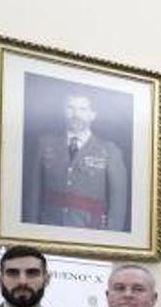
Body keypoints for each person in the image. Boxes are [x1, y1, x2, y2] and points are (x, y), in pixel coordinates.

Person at [23, 94, 129, 232]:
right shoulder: (44, 144)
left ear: (93, 115)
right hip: (48, 228)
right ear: (63, 112)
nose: (76, 114)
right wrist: (31, 230)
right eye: (70, 108)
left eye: (82, 109)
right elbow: (32, 194)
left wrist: (112, 236)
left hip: (89, 230)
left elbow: (118, 204)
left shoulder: (109, 150)